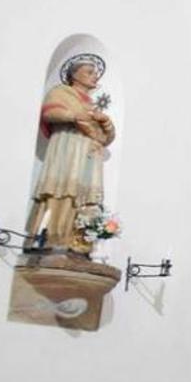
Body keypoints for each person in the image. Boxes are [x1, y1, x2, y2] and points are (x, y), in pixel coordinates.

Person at [28, 53, 116, 251]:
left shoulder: (92, 105)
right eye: (90, 72)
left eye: (96, 73)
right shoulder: (62, 93)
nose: (95, 76)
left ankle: (79, 242)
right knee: (63, 188)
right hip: (67, 148)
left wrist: (106, 122)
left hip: (90, 156)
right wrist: (76, 115)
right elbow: (49, 113)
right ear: (75, 75)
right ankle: (50, 237)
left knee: (83, 194)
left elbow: (106, 137)